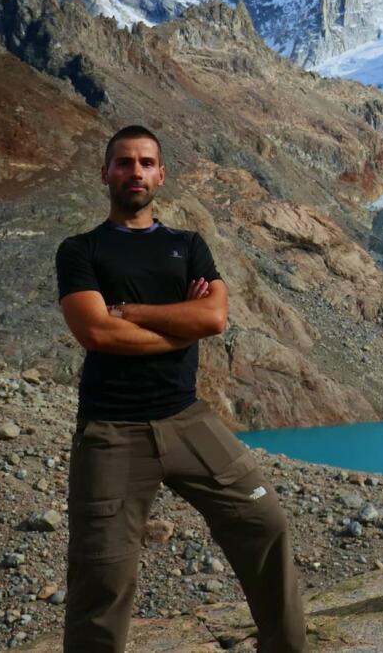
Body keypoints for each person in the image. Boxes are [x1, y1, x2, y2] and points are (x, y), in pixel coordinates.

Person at [56, 125, 305, 653]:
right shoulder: (80, 250)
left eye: (146, 162)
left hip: (188, 419)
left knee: (264, 522)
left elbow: (213, 318)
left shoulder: (187, 245)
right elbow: (95, 332)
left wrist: (134, 313)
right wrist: (176, 326)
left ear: (162, 174)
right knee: (103, 576)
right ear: (106, 174)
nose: (136, 172)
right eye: (124, 162)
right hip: (111, 429)